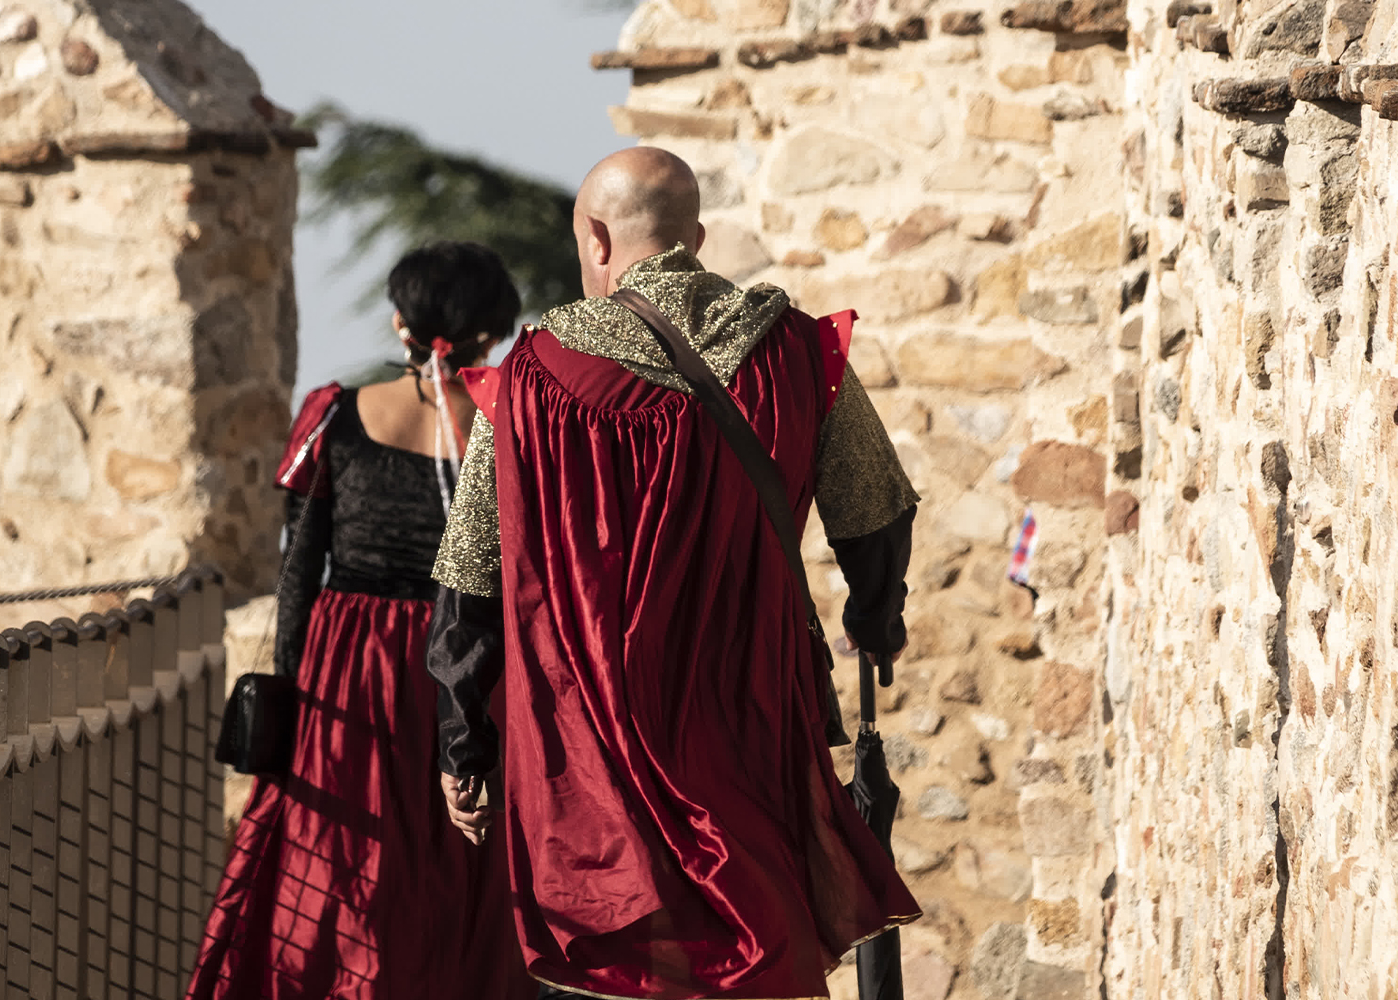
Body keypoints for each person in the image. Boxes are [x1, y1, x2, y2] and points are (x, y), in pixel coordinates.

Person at [426, 147, 921, 1000]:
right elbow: (876, 512)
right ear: (696, 237)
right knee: (759, 936)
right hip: (754, 703)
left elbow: (472, 573)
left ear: (595, 236)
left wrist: (461, 745)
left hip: (596, 727)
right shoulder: (798, 351)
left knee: (634, 947)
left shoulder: (533, 377)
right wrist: (876, 624)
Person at [188, 242, 533, 1000]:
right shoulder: (510, 428)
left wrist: (290, 686)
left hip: (350, 661)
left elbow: (297, 567)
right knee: (457, 852)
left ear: (400, 323)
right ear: (492, 333)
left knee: (343, 847)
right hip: (468, 660)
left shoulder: (337, 413)